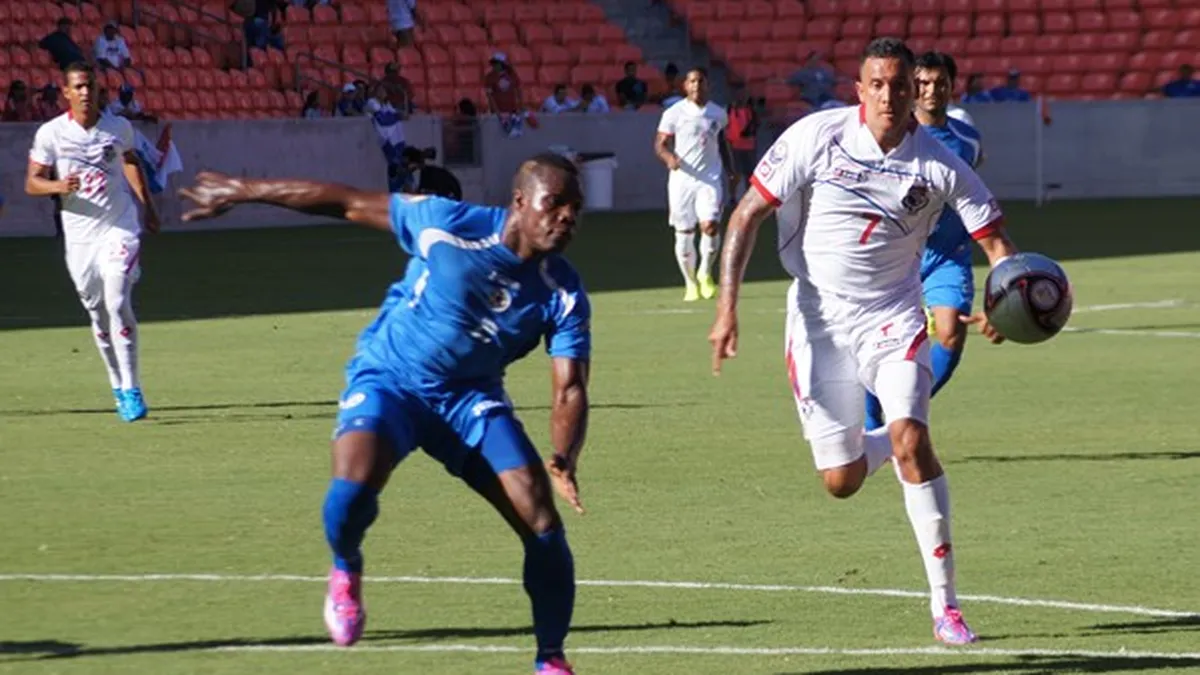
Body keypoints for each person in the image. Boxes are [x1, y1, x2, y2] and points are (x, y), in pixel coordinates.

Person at [176, 153, 591, 675]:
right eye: (555, 203)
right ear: (520, 201)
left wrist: (563, 456)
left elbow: (570, 387)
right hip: (391, 381)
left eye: (576, 209)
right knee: (349, 494)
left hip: (469, 401)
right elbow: (347, 202)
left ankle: (550, 658)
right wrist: (243, 188)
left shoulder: (564, 291)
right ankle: (346, 567)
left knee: (541, 521)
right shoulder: (446, 223)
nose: (567, 217)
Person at [709, 37, 1020, 645]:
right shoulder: (815, 137)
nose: (889, 96)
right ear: (859, 89)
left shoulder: (939, 163)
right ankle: (884, 444)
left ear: (912, 92)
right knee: (841, 479)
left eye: (899, 85)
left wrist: (1008, 296)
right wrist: (727, 310)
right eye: (877, 84)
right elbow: (746, 214)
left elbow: (996, 243)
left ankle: (946, 607)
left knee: (913, 438)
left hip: (894, 317)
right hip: (818, 320)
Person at [25, 61, 161, 421]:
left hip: (118, 224)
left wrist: (147, 205)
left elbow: (130, 161)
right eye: (79, 87)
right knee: (98, 313)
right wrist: (58, 186)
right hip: (80, 236)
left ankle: (132, 387)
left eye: (90, 86)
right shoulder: (51, 133)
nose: (86, 92)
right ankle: (118, 386)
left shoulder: (118, 127)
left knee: (116, 301)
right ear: (66, 92)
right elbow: (32, 182)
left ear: (99, 89)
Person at [865, 51, 985, 430]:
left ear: (952, 86)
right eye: (924, 83)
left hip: (947, 254)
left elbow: (973, 186)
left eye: (940, 83)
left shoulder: (967, 139)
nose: (932, 91)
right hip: (897, 253)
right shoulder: (891, 136)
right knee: (877, 341)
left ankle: (901, 410)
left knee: (950, 335)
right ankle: (870, 422)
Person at [654, 67, 735, 302]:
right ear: (685, 86)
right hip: (682, 181)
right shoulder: (674, 113)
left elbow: (722, 142)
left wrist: (731, 169)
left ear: (708, 84)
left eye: (700, 81)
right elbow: (660, 144)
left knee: (710, 226)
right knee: (684, 233)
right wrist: (669, 158)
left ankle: (705, 273)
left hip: (709, 179)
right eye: (692, 81)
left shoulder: (718, 113)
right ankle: (689, 282)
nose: (696, 85)